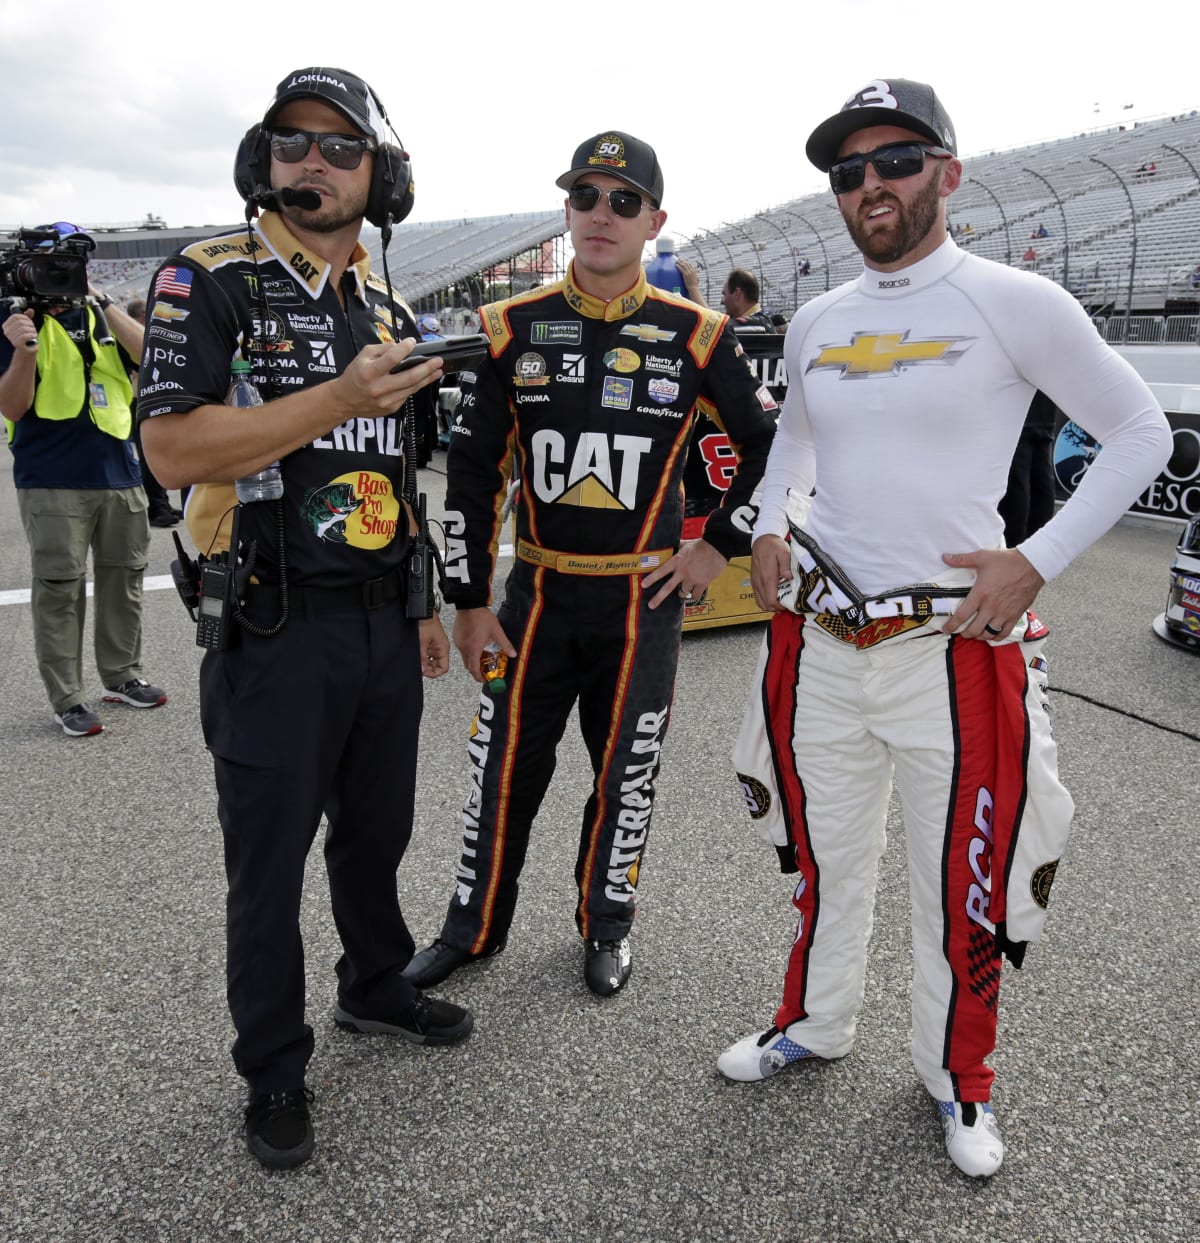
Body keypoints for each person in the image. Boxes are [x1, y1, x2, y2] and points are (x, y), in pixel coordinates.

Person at [721, 78, 1171, 1178]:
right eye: (848, 172)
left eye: (896, 161)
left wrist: (1038, 559)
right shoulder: (822, 317)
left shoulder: (1016, 300)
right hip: (822, 638)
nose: (871, 185)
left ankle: (957, 1080)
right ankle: (816, 1024)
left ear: (948, 174)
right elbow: (794, 453)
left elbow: (1141, 432)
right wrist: (772, 525)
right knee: (825, 859)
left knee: (963, 880)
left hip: (953, 650)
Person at [137, 65, 471, 1171]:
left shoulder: (383, 301)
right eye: (290, 143)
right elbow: (173, 449)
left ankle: (375, 988)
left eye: (337, 147)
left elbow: (395, 464)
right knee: (267, 866)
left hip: (381, 622)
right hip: (274, 626)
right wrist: (334, 397)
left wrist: (421, 600)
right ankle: (273, 1065)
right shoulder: (210, 279)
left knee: (376, 838)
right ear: (259, 160)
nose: (310, 163)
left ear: (382, 176)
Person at [403, 129, 777, 998]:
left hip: (642, 604)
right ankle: (472, 926)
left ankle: (606, 923)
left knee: (627, 772)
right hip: (532, 597)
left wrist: (713, 546)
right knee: (499, 766)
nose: (601, 215)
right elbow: (470, 472)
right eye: (585, 197)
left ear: (655, 221)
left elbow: (766, 446)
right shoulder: (510, 327)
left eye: (623, 201)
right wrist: (468, 596)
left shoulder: (701, 333)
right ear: (567, 210)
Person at [0, 222, 167, 738]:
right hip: (51, 478)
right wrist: (24, 349)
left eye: (72, 266)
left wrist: (101, 300)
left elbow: (154, 356)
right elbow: (12, 404)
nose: (64, 276)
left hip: (119, 471)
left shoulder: (99, 313)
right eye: (55, 265)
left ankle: (121, 674)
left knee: (126, 579)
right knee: (59, 589)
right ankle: (67, 698)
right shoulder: (11, 319)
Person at [125, 296, 182, 528]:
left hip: (150, 398)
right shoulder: (131, 336)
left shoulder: (138, 333)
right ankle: (156, 507)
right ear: (142, 315)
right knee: (150, 458)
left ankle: (163, 503)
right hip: (140, 399)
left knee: (159, 454)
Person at [998, 390, 1058, 545]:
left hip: (1018, 411)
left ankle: (1013, 550)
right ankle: (1037, 551)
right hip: (1043, 410)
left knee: (1017, 486)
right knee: (1040, 481)